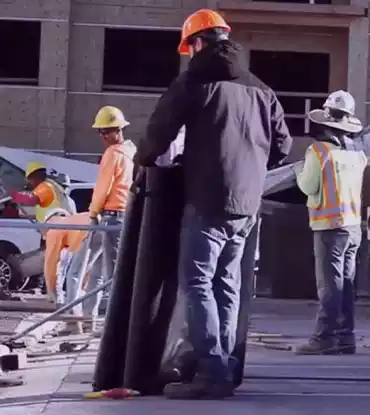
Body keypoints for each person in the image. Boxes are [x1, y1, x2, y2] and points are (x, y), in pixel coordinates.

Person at [134, 8, 292, 399]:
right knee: (227, 283)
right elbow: (283, 146)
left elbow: (158, 133)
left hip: (208, 199)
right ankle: (222, 363)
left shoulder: (194, 82)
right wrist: (252, 168)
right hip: (247, 205)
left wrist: (145, 162)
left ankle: (211, 371)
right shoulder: (261, 88)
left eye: (189, 47)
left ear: (198, 43)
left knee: (197, 283)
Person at [295, 90, 367, 355]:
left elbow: (307, 185)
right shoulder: (357, 154)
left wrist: (299, 171)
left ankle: (324, 337)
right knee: (346, 284)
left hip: (329, 227)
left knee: (329, 285)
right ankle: (345, 337)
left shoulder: (319, 151)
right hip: (352, 226)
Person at [89, 106, 136, 284]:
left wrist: (93, 213)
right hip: (127, 215)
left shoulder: (113, 153)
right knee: (106, 268)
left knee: (111, 273)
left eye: (105, 131)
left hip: (113, 216)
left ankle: (110, 311)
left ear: (119, 130)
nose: (103, 136)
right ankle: (94, 310)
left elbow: (103, 187)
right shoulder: (131, 151)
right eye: (100, 132)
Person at [43, 211, 103, 334]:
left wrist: (52, 293)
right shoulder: (72, 220)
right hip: (105, 225)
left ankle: (72, 322)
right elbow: (87, 270)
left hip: (91, 229)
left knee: (74, 274)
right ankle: (89, 322)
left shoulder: (54, 229)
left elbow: (50, 264)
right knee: (96, 277)